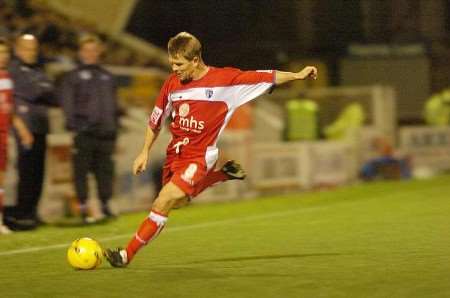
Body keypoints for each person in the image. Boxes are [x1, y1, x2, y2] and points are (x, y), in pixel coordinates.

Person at [104, 32, 317, 267]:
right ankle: (221, 175)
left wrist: (297, 75)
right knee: (180, 202)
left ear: (195, 60)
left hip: (199, 157)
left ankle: (125, 255)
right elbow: (155, 120)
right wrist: (144, 151)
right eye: (171, 62)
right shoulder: (172, 84)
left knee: (163, 200)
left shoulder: (226, 81)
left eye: (179, 64)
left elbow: (266, 75)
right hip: (175, 154)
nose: (174, 68)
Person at [58, 35, 118, 222]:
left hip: (106, 133)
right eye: (87, 50)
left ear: (99, 52)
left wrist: (114, 124)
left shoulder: (108, 76)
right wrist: (74, 125)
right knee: (81, 172)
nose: (90, 54)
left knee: (105, 172)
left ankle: (105, 206)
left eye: (94, 50)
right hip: (84, 133)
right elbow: (67, 103)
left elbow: (114, 104)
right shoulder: (73, 77)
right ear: (80, 53)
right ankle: (83, 209)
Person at [5, 34, 55, 230]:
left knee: (38, 173)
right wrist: (42, 89)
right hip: (22, 129)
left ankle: (31, 212)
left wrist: (42, 90)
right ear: (17, 50)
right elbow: (35, 91)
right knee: (25, 173)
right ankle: (20, 214)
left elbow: (53, 95)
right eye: (27, 48)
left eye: (34, 48)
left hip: (40, 126)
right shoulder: (13, 71)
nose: (31, 52)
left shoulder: (38, 70)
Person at [0, 37, 33, 234]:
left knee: (1, 182)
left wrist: (21, 128)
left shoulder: (6, 78)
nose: (3, 57)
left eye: (5, 53)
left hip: (3, 136)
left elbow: (9, 109)